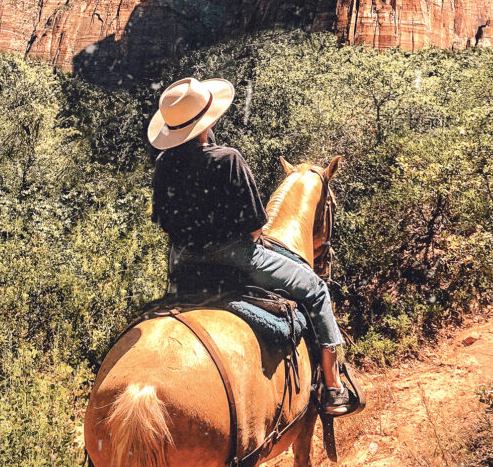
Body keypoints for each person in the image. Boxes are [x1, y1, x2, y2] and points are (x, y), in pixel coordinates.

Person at [148, 75, 354, 415]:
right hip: (237, 257)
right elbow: (257, 229)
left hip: (183, 263)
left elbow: (166, 225)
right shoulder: (228, 159)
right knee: (316, 289)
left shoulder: (163, 165)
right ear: (208, 121)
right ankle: (333, 387)